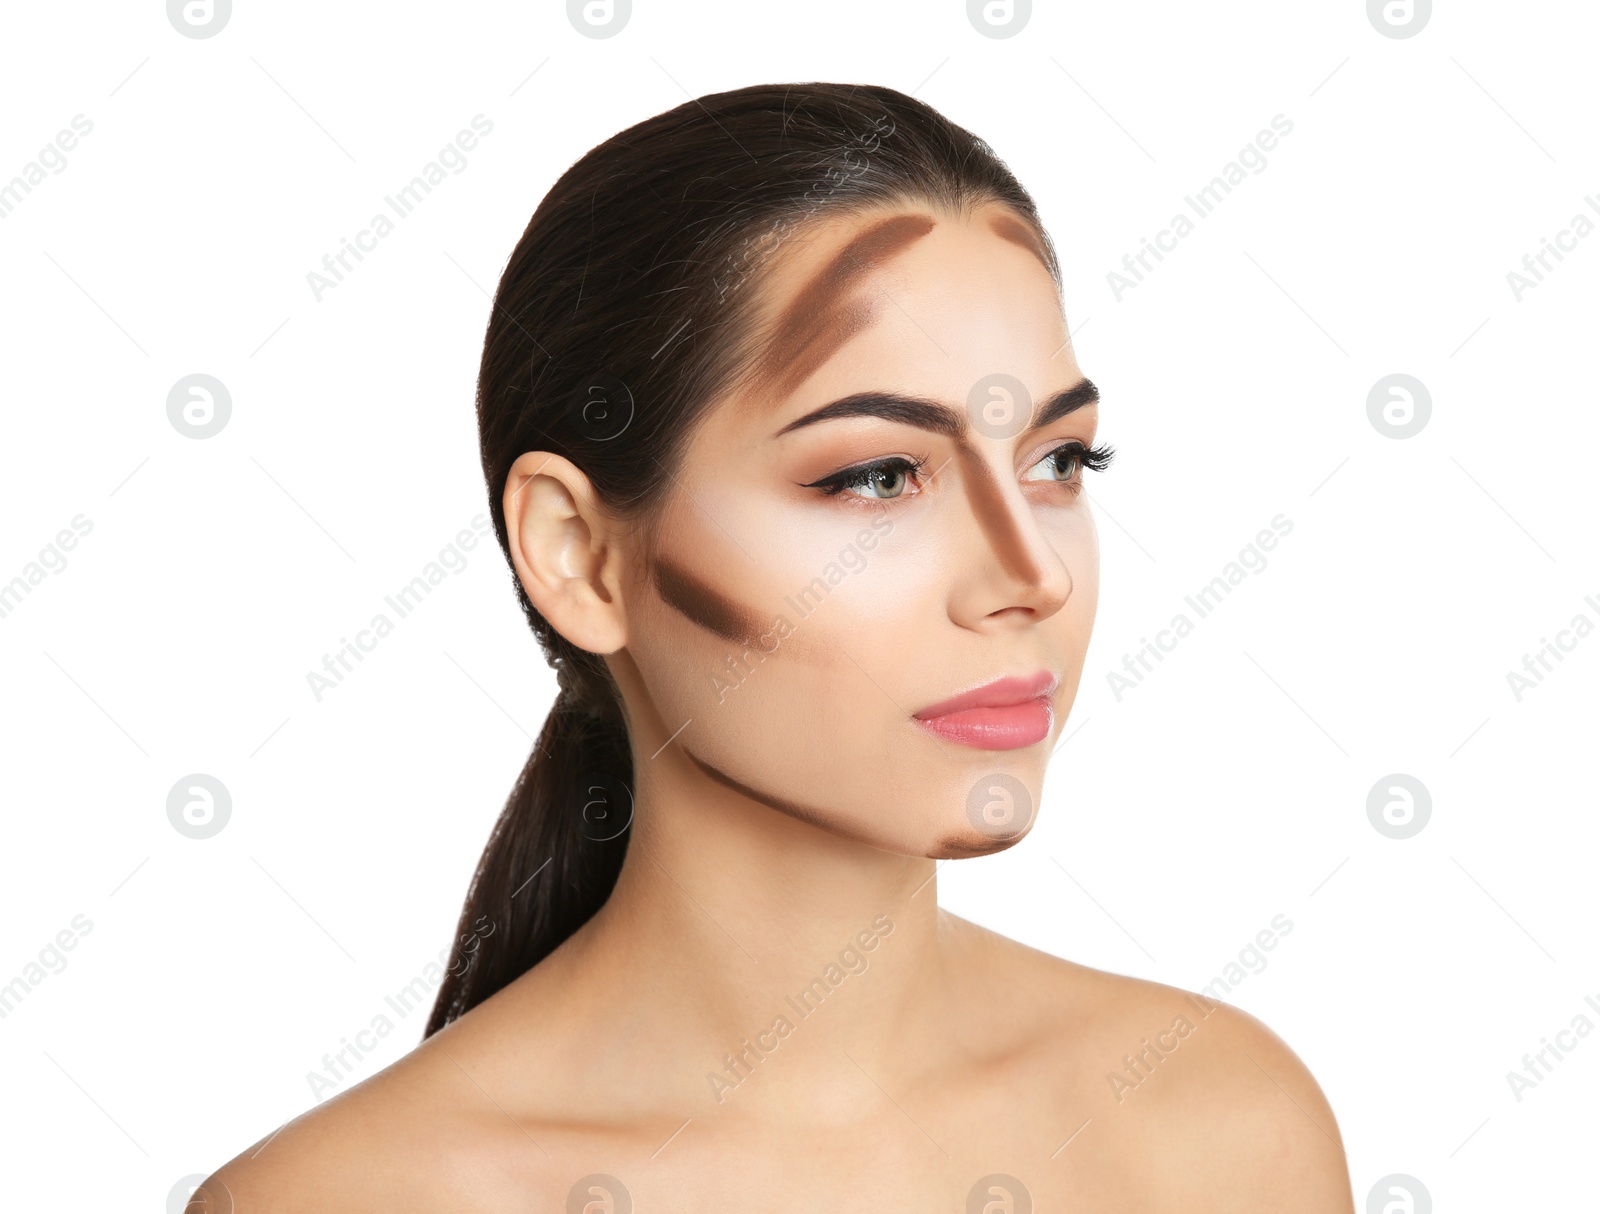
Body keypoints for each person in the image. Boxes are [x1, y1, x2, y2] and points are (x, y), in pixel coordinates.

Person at [197, 82, 1352, 1211]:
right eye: (876, 475)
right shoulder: (339, 1197)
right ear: (580, 555)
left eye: (1056, 461)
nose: (1032, 574)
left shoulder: (1217, 1128)